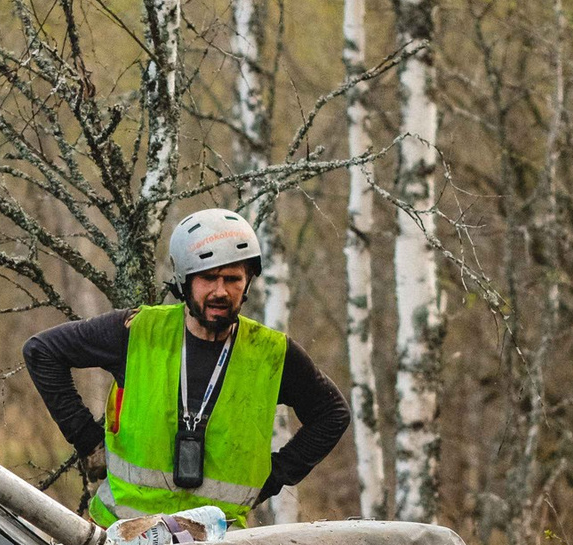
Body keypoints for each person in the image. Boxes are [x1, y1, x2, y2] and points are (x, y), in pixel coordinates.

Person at [23, 209, 349, 528]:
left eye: (233, 279)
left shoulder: (271, 353)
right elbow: (42, 351)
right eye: (208, 278)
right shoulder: (138, 331)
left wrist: (275, 475)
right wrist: (87, 440)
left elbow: (332, 413)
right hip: (119, 537)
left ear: (248, 282)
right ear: (184, 280)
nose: (220, 291)